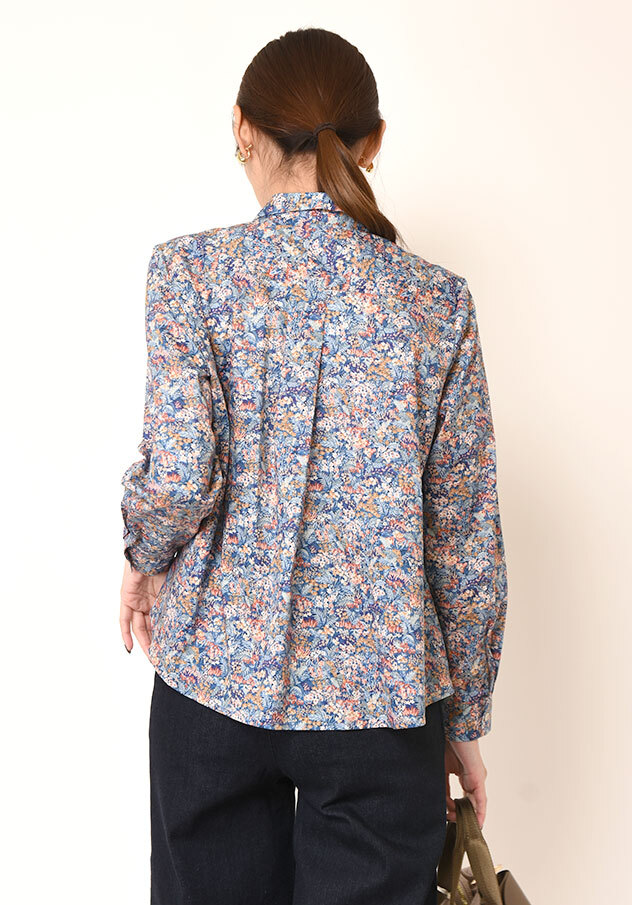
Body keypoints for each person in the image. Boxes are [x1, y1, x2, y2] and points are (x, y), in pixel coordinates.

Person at [119, 26, 508, 905]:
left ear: (241, 127)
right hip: (382, 707)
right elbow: (464, 539)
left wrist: (143, 560)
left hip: (211, 688)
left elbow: (179, 474)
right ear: (373, 142)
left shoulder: (189, 275)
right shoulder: (435, 301)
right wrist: (465, 716)